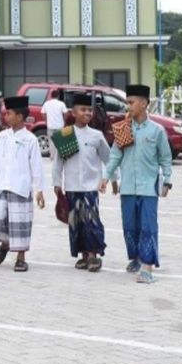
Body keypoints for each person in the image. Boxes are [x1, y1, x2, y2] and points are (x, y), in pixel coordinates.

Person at [100, 83, 173, 284]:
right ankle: (136, 258)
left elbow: (165, 158)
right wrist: (106, 177)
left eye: (131, 103)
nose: (128, 107)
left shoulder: (157, 131)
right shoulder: (124, 128)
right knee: (130, 227)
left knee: (148, 226)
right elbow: (115, 155)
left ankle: (148, 267)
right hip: (128, 188)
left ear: (143, 104)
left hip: (149, 188)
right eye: (127, 103)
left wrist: (168, 180)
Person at [53, 92, 115, 272]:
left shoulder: (96, 135)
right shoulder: (64, 135)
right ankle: (83, 255)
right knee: (76, 222)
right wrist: (57, 184)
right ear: (73, 112)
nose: (87, 113)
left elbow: (108, 158)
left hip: (90, 187)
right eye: (83, 110)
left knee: (91, 220)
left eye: (90, 110)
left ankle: (94, 254)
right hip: (71, 186)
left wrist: (113, 179)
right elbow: (58, 162)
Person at [0, 95, 46, 273]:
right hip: (1, 185)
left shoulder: (30, 139)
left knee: (19, 223)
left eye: (9, 113)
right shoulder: (3, 136)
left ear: (19, 117)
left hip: (20, 187)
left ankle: (20, 258)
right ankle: (4, 245)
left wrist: (39, 190)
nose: (5, 116)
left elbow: (37, 167)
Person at [41, 88, 68, 161]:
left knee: (51, 142)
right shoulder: (61, 104)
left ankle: (52, 157)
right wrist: (64, 121)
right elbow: (66, 113)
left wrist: (46, 121)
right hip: (60, 126)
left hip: (50, 126)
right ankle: (60, 157)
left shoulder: (47, 103)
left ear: (51, 95)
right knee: (60, 142)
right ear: (58, 96)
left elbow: (42, 113)